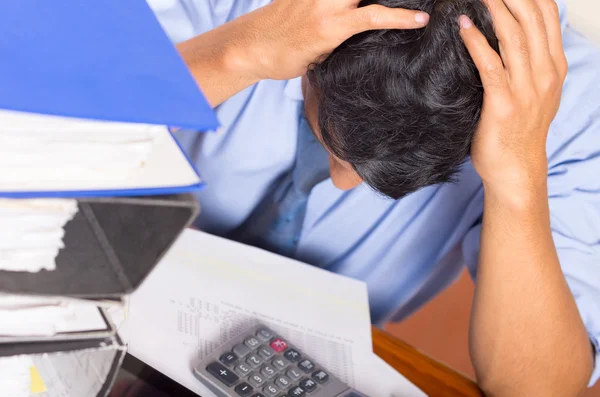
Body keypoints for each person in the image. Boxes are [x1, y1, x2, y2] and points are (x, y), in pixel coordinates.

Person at [148, 0, 600, 395]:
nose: (344, 185)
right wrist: (238, 52)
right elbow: (77, 135)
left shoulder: (578, 105)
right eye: (330, 145)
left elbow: (537, 388)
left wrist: (518, 181)